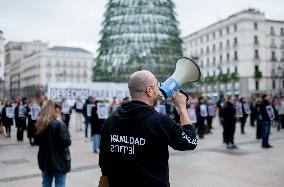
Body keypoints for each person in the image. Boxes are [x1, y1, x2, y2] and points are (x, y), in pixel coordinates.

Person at [99, 70, 197, 187]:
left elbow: (104, 158)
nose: (159, 89)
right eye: (157, 85)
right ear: (149, 91)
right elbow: (191, 141)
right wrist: (182, 107)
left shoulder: (112, 118)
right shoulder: (159, 121)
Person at [35, 100, 71, 187]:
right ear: (56, 109)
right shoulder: (59, 124)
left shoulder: (40, 124)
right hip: (60, 161)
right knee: (60, 184)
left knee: (46, 183)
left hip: (45, 161)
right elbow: (66, 142)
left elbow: (36, 141)